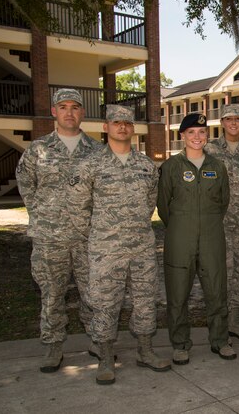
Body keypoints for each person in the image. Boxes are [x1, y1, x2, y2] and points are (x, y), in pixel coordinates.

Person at [72, 105, 170, 384]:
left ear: (133, 128)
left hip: (141, 246)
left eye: (127, 123)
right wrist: (99, 237)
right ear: (106, 127)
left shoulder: (146, 165)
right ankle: (105, 356)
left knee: (145, 300)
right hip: (106, 249)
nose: (122, 127)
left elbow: (151, 200)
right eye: (116, 122)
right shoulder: (91, 165)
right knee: (105, 303)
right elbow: (80, 208)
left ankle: (145, 350)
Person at [16, 88, 101, 373]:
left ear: (82, 113)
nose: (69, 112)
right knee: (52, 293)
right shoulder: (38, 150)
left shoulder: (97, 151)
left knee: (93, 292)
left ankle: (97, 340)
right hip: (50, 238)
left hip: (87, 238)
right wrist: (40, 214)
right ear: (54, 111)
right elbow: (25, 183)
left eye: (75, 107)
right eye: (62, 106)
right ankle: (54, 345)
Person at [157, 113, 234, 365]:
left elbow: (223, 201)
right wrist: (182, 225)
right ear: (182, 136)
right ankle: (180, 344)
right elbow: (163, 206)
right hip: (180, 238)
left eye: (201, 132)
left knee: (216, 290)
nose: (197, 137)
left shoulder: (217, 166)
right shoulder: (171, 167)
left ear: (207, 136)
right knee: (178, 293)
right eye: (191, 132)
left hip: (212, 236)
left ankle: (220, 340)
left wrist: (207, 222)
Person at [204, 104, 239, 342]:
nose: (233, 123)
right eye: (229, 119)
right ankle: (219, 322)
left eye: (238, 119)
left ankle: (235, 321)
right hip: (220, 222)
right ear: (222, 123)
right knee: (220, 273)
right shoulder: (210, 149)